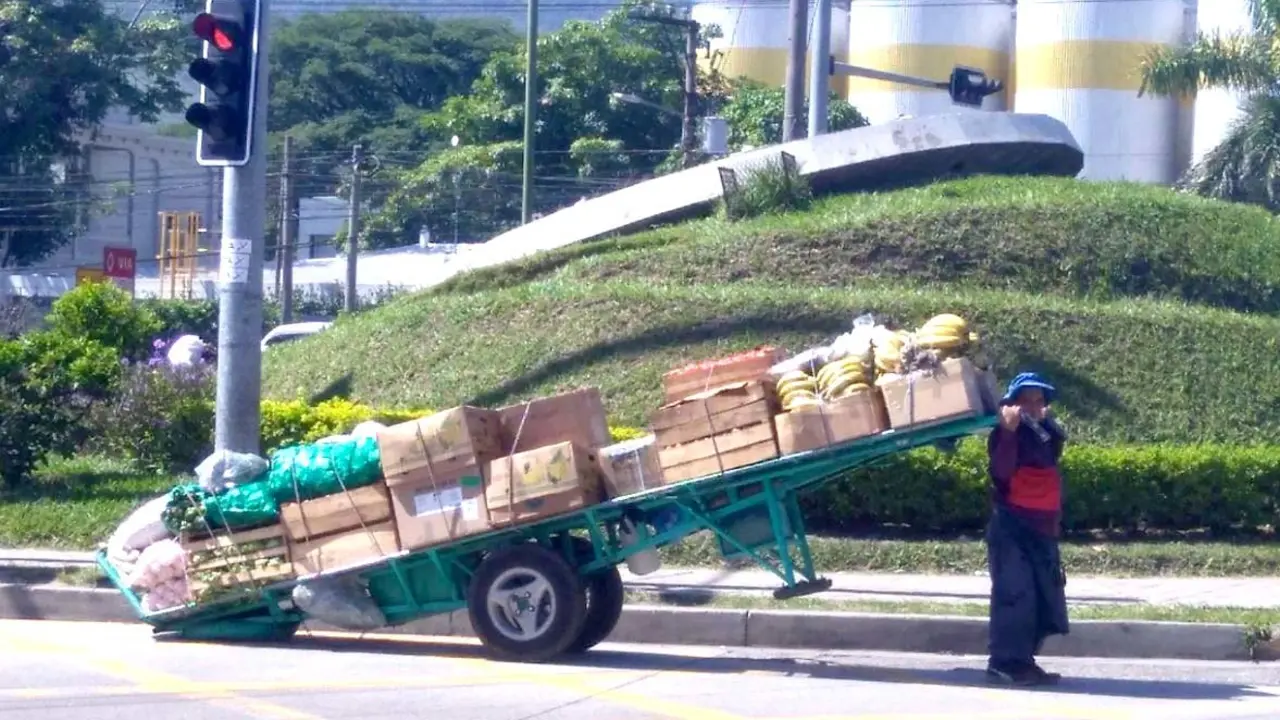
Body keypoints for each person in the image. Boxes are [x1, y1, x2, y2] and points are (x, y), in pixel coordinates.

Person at [985, 372, 1069, 686]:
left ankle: (1023, 661)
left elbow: (1053, 457)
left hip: (1041, 530)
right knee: (1014, 595)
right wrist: (1008, 431)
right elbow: (1001, 471)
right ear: (1013, 402)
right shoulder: (1006, 433)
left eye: (1038, 400)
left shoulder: (1046, 432)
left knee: (1039, 598)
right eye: (1025, 399)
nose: (1033, 406)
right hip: (1012, 528)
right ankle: (1004, 663)